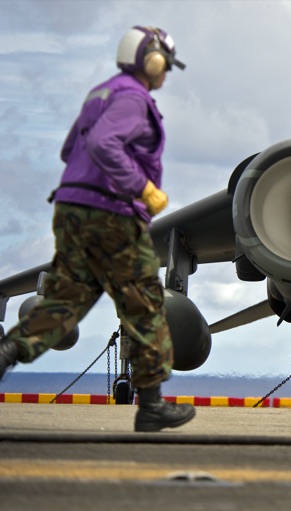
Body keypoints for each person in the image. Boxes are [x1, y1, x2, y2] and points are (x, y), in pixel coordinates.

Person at [0, 26, 194, 433]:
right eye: (164, 66)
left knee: (63, 301)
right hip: (111, 215)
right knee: (144, 301)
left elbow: (69, 150)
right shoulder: (133, 98)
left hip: (72, 210)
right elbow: (106, 144)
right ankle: (153, 405)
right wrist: (141, 187)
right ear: (150, 59)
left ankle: (4, 354)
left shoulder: (99, 95)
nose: (165, 75)